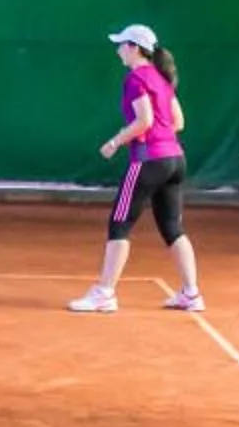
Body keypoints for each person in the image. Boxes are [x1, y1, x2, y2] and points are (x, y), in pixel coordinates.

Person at [69, 24, 205, 314]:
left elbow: (144, 120)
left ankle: (105, 293)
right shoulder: (162, 78)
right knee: (172, 227)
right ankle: (191, 294)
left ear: (134, 47)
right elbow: (178, 122)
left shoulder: (136, 78)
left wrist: (115, 141)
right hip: (175, 161)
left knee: (119, 224)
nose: (118, 50)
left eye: (121, 45)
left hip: (148, 160)